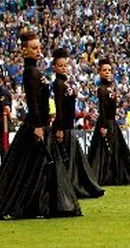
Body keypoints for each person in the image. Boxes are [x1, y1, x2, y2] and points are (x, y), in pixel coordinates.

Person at [0, 30, 82, 220]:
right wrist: (37, 126)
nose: (38, 51)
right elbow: (32, 101)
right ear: (24, 50)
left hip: (40, 124)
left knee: (29, 168)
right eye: (34, 48)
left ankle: (34, 205)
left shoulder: (35, 71)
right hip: (36, 125)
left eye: (39, 47)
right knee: (27, 167)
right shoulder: (31, 72)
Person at [49, 48, 105, 200]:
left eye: (65, 65)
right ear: (54, 67)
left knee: (73, 160)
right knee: (67, 160)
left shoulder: (65, 83)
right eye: (60, 65)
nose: (63, 68)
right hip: (64, 128)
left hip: (69, 126)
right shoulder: (58, 84)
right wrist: (59, 128)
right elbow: (59, 107)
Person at [87, 57, 130, 187]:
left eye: (109, 70)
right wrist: (103, 126)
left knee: (116, 150)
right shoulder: (101, 89)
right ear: (99, 72)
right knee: (103, 151)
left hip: (112, 123)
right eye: (104, 70)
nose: (107, 72)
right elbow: (102, 109)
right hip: (106, 123)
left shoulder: (111, 88)